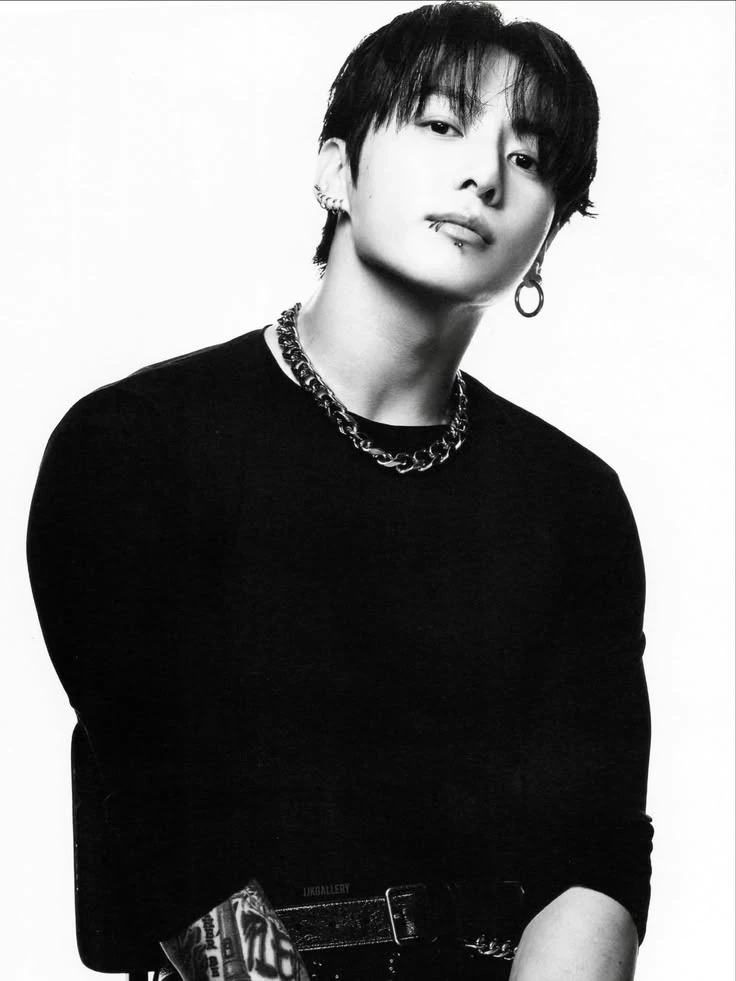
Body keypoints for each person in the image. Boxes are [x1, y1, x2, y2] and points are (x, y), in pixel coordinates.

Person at [26, 2, 653, 979]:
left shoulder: (572, 503)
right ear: (335, 171)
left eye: (528, 158)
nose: (484, 176)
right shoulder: (137, 448)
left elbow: (597, 857)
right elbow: (173, 834)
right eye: (441, 125)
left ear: (547, 234)